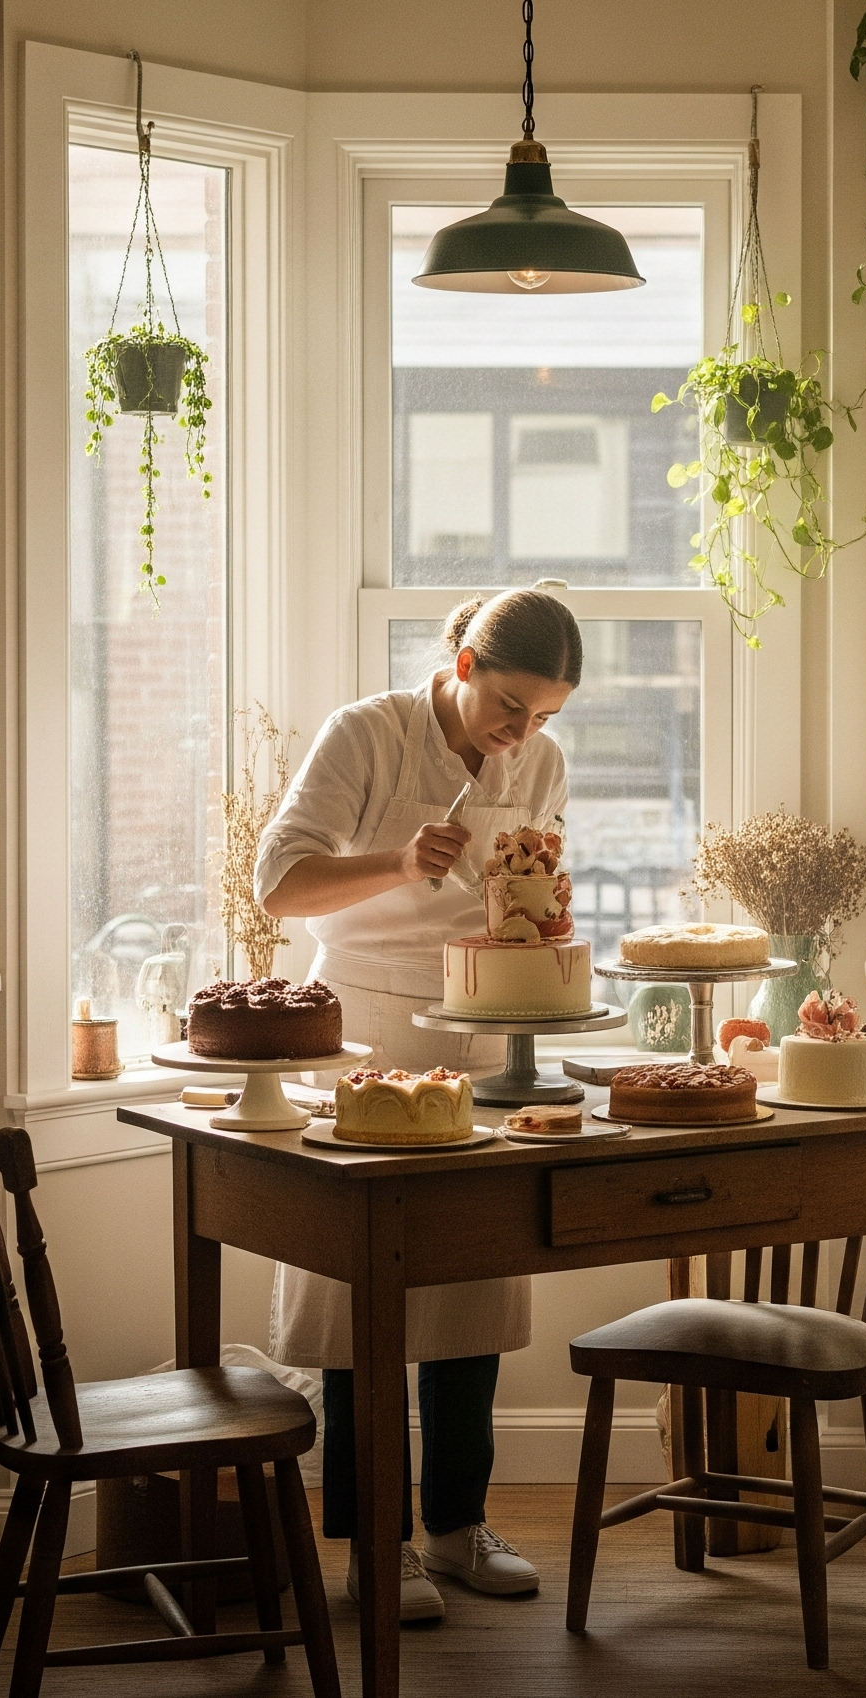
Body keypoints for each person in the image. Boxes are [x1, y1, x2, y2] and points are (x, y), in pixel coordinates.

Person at [255, 585, 583, 1620]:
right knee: (364, 1293)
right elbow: (278, 885)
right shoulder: (368, 734)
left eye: (545, 717)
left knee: (471, 1278)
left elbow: (524, 888)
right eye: (511, 707)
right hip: (362, 1024)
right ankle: (372, 1544)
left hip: (479, 1019)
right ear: (460, 667)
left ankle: (453, 1527)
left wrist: (536, 912)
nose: (523, 735)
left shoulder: (541, 761)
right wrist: (397, 863)